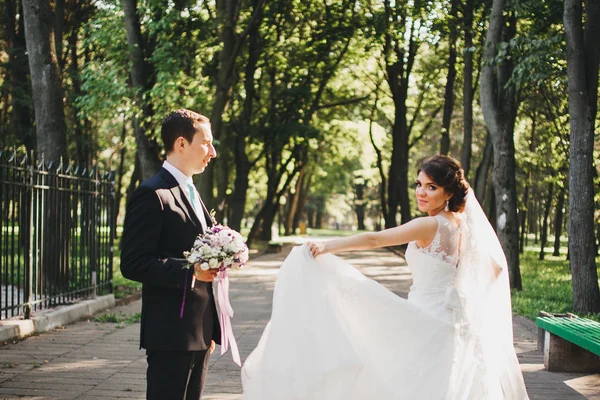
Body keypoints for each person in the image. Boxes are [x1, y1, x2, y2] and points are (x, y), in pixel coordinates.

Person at [241, 155, 529, 399]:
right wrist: (466, 299)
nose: (421, 192)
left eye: (431, 187)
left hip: (426, 317)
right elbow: (495, 270)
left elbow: (375, 240)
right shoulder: (465, 228)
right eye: (419, 184)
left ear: (449, 193)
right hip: (456, 322)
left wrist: (328, 246)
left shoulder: (429, 224)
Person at [120, 109, 221, 399]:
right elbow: (133, 263)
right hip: (170, 333)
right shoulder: (153, 193)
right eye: (206, 143)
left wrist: (210, 327)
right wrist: (191, 271)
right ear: (181, 144)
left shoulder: (191, 191)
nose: (212, 152)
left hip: (198, 331)